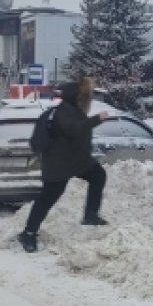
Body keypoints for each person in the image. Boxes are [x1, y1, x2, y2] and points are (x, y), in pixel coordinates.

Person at [17, 76, 110, 253]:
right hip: (58, 164)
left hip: (76, 160)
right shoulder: (63, 112)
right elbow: (74, 129)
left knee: (98, 175)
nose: (88, 101)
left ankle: (90, 215)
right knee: (48, 197)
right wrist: (97, 119)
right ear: (76, 97)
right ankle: (28, 233)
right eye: (85, 97)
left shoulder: (72, 110)